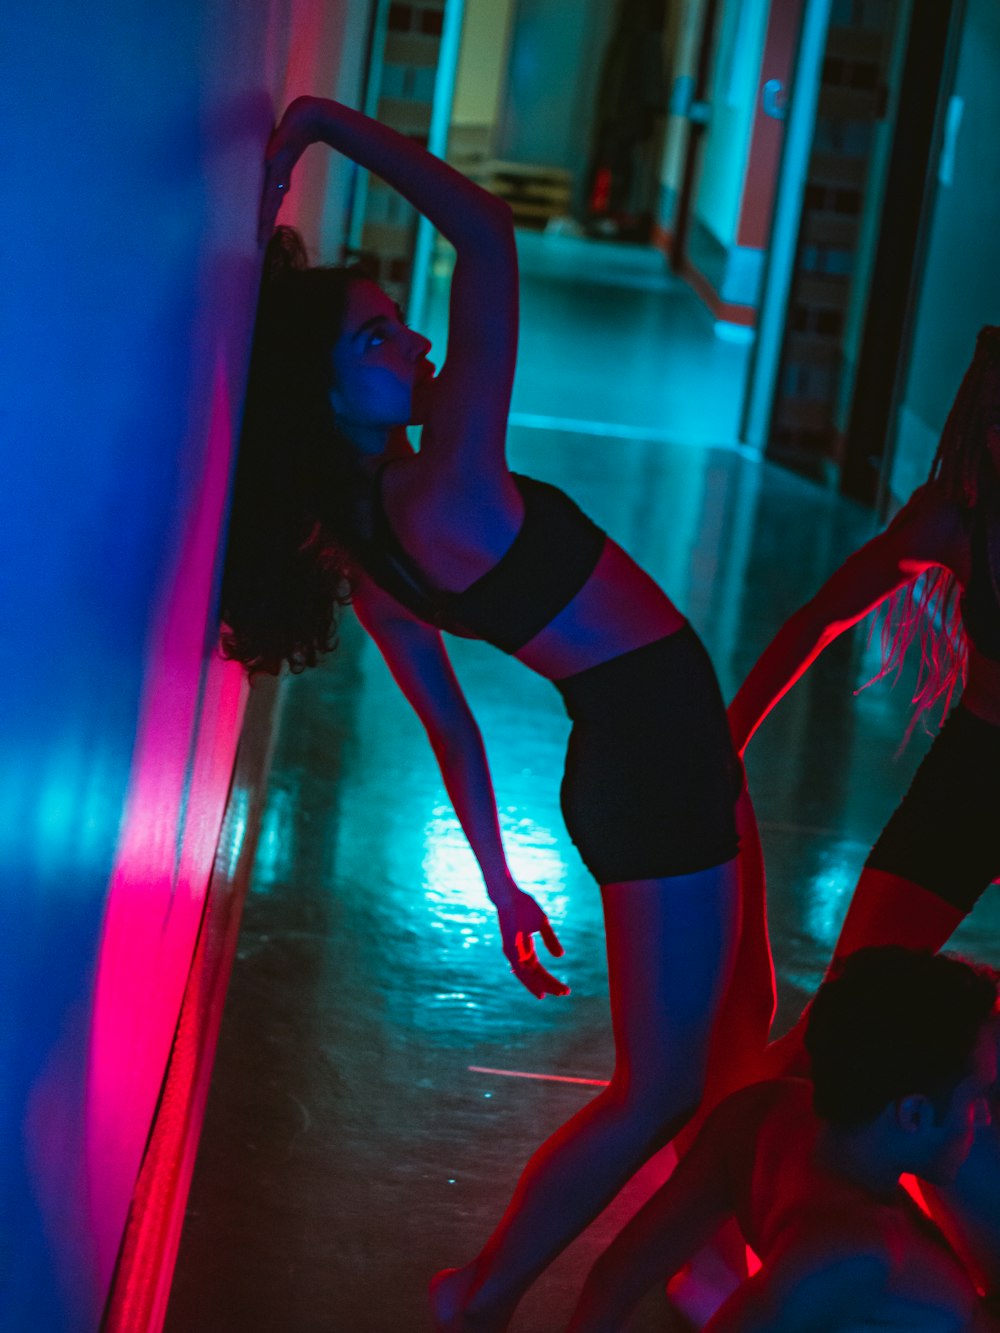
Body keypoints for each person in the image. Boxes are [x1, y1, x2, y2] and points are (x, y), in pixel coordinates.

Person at [224, 97, 767, 1331]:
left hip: (654, 747)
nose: (412, 344)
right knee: (661, 1083)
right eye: (375, 341)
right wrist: (321, 127)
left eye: (396, 328)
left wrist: (501, 881)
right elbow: (487, 238)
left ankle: (694, 1248)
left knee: (734, 1022)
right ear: (326, 397)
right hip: (654, 749)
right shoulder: (444, 477)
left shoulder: (371, 551)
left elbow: (454, 730)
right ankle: (485, 1290)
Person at [728, 326, 1000, 1068]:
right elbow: (821, 617)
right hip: (974, 778)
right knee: (843, 1018)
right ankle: (729, 1155)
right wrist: (728, 738)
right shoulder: (954, 521)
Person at [566, 947, 1000, 1332]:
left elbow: (615, 1279)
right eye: (977, 1097)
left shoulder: (758, 1113)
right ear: (914, 1114)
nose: (984, 1116)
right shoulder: (853, 1250)